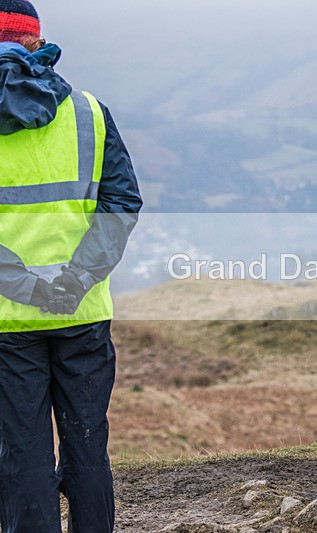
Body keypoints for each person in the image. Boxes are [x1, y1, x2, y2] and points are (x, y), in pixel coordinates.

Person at [0, 1, 142, 531]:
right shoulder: (88, 111)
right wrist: (76, 279)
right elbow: (122, 203)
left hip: (8, 322)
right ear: (37, 42)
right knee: (86, 448)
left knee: (22, 456)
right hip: (82, 311)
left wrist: (25, 286)